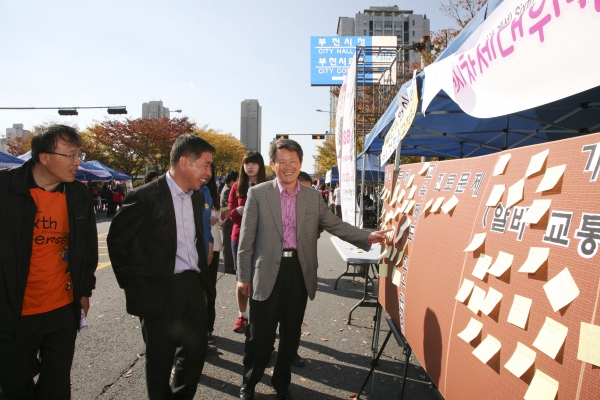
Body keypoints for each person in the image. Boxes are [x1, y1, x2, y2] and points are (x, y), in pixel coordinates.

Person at [236, 139, 389, 400]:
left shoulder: (313, 196)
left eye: (293, 161)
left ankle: (281, 382)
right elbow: (246, 239)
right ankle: (249, 383)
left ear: (300, 163)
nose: (287, 166)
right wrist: (243, 276)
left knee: (291, 332)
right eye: (282, 161)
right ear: (272, 165)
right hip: (265, 273)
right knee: (260, 335)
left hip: (299, 270)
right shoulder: (258, 194)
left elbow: (335, 225)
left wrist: (367, 236)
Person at [107, 134, 216, 399]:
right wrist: (135, 285)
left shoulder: (197, 195)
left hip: (193, 285)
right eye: (205, 164)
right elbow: (117, 243)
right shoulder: (144, 196)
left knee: (196, 353)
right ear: (184, 162)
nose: (209, 173)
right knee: (159, 359)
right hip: (158, 289)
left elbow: (196, 238)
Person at [0, 124, 98, 399]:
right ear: (44, 157)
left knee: (56, 385)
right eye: (70, 155)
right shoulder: (6, 189)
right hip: (14, 312)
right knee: (14, 385)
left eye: (79, 155)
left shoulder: (78, 195)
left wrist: (84, 291)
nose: (77, 162)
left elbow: (88, 248)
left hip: (62, 309)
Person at [228, 152, 267, 333]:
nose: (250, 167)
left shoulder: (269, 186)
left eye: (254, 163)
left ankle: (260, 316)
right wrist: (238, 210)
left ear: (260, 166)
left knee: (261, 279)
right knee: (242, 279)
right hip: (239, 238)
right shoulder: (237, 186)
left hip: (263, 239)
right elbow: (229, 213)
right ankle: (242, 315)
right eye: (247, 163)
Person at [206, 164, 230, 343]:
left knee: (209, 290)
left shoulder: (214, 193)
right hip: (195, 249)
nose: (207, 174)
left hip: (213, 248)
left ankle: (208, 328)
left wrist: (221, 218)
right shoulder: (189, 190)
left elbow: (220, 220)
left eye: (211, 170)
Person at [220, 170, 239, 274]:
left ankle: (231, 266)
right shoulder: (228, 190)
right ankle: (229, 267)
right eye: (237, 178)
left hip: (228, 222)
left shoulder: (228, 188)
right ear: (233, 180)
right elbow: (226, 207)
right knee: (227, 247)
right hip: (227, 223)